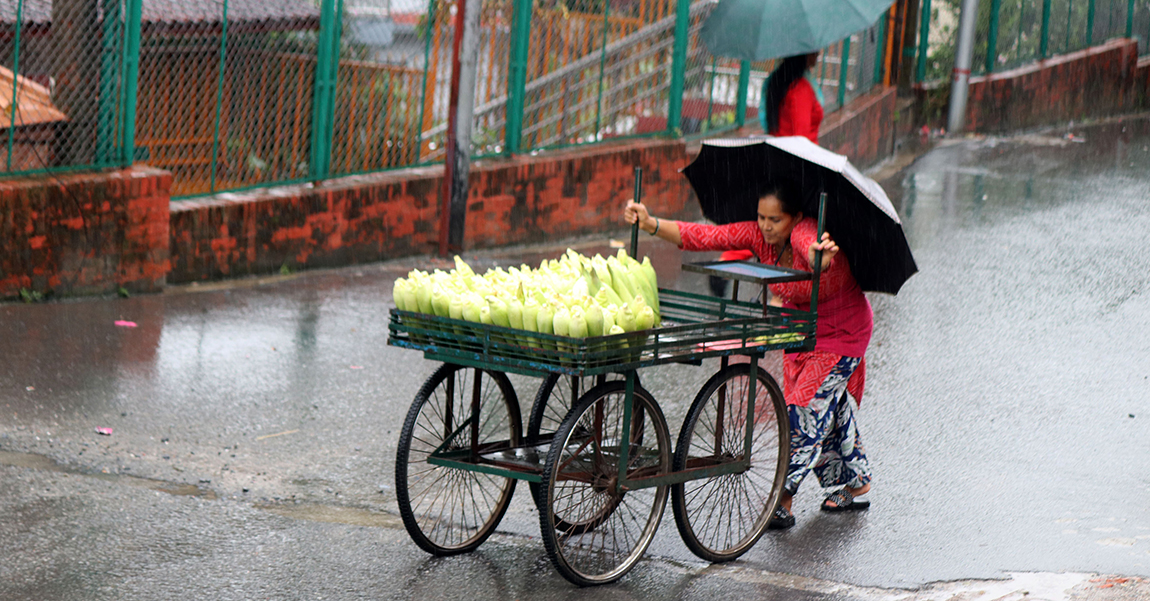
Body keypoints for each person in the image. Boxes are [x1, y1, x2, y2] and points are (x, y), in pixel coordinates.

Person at [623, 180, 872, 530]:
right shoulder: (759, 236)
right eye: (761, 218)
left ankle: (781, 499)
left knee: (802, 412)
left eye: (776, 220)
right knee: (826, 407)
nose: (767, 227)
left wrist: (819, 261)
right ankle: (857, 480)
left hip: (842, 334)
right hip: (800, 331)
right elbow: (708, 237)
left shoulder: (806, 234)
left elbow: (813, 256)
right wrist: (650, 223)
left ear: (795, 217)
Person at [760, 52, 824, 143]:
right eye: (813, 51)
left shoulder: (776, 80)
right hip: (798, 152)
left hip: (778, 147)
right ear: (803, 54)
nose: (818, 53)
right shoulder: (800, 89)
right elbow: (801, 139)